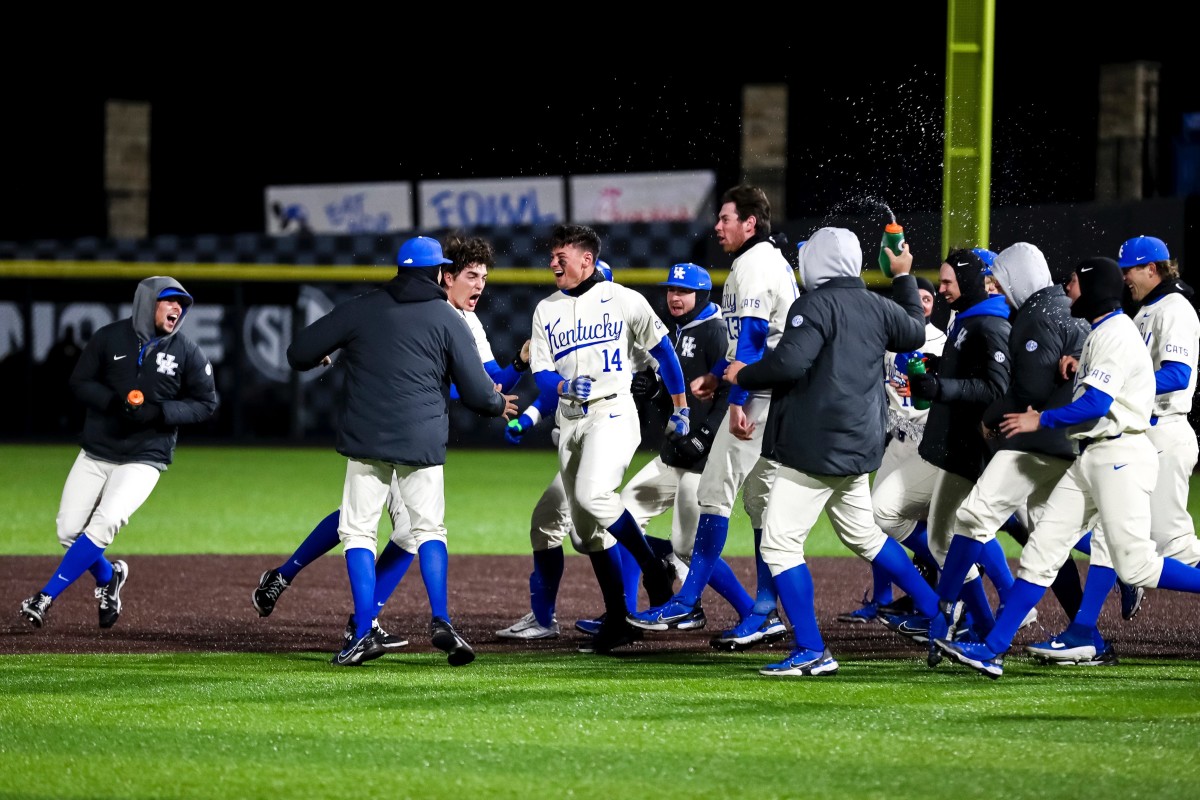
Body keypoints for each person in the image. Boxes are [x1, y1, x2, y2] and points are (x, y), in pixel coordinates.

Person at [255, 234, 529, 664]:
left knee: (362, 528)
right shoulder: (447, 319)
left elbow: (302, 351)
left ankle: (359, 622)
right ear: (444, 274)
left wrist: (515, 368)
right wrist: (495, 404)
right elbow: (480, 391)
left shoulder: (370, 305)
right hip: (420, 437)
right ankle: (430, 620)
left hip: (369, 434)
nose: (478, 285)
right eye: (469, 275)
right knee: (421, 530)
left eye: (483, 277)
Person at [934, 256, 1200, 679]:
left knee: (1138, 566)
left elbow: (1098, 404)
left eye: (1075, 281)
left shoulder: (1116, 332)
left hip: (1121, 457)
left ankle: (1023, 640)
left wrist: (1039, 419)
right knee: (1042, 551)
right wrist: (1078, 365)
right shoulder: (1103, 331)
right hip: (1092, 456)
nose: (1068, 287)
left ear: (1093, 289)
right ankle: (992, 648)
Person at [723, 226, 940, 676]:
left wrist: (742, 375)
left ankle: (811, 649)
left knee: (780, 545)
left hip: (818, 447)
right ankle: (940, 614)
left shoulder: (815, 304)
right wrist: (902, 275)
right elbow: (916, 332)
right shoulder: (878, 306)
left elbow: (788, 364)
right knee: (865, 535)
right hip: (860, 444)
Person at [629, 184, 798, 652]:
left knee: (712, 494)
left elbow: (754, 341)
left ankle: (685, 599)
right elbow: (754, 343)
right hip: (777, 396)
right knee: (762, 506)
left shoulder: (753, 264)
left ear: (750, 223)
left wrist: (737, 398)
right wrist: (718, 379)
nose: (718, 226)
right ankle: (763, 610)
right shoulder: (768, 261)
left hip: (758, 399)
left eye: (726, 218)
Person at [1024, 235, 1200, 665]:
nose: (1124, 278)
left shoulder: (1174, 309)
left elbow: (1177, 374)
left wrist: (1122, 381)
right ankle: (1084, 629)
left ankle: (1090, 623)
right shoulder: (1144, 312)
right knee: (1109, 537)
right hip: (1141, 432)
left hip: (1161, 433)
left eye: (1131, 270)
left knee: (1173, 545)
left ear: (1154, 269)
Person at [914, 242, 1090, 666]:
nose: (996, 286)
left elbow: (1024, 392)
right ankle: (1084, 630)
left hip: (1038, 442)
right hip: (1070, 443)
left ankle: (945, 609)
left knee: (977, 517)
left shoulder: (1034, 315)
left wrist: (991, 416)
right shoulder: (1063, 310)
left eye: (1001, 278)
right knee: (1049, 541)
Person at [527, 223, 692, 655]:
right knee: (585, 536)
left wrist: (681, 406)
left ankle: (654, 568)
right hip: (569, 422)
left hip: (613, 411)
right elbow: (541, 372)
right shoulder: (546, 308)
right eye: (551, 257)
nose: (552, 264)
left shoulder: (623, 299)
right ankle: (619, 620)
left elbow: (663, 352)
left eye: (560, 257)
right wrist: (561, 388)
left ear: (586, 259)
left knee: (594, 493)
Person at [20, 277, 219, 630]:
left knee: (106, 521)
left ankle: (44, 596)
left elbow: (206, 403)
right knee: (68, 531)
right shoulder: (109, 337)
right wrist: (113, 403)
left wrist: (161, 412)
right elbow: (79, 382)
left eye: (182, 304)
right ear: (147, 302)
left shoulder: (186, 351)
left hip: (146, 456)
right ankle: (110, 576)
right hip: (98, 450)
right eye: (169, 300)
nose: (177, 308)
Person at [879, 248, 1012, 646]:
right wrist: (941, 373)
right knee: (926, 525)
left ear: (971, 281)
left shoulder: (989, 324)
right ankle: (982, 618)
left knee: (1028, 531)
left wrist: (943, 387)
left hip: (971, 451)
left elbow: (996, 388)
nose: (942, 288)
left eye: (950, 281)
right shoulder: (967, 320)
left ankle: (992, 618)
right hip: (947, 448)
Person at [837, 274, 945, 623]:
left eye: (927, 298)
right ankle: (883, 599)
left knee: (913, 522)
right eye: (917, 298)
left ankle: (949, 574)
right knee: (873, 521)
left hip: (924, 443)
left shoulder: (940, 341)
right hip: (893, 440)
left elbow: (929, 393)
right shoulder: (890, 338)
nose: (922, 303)